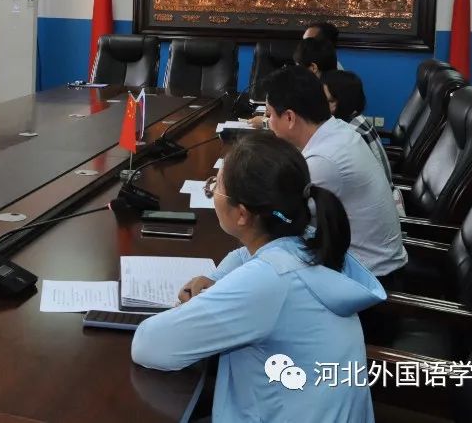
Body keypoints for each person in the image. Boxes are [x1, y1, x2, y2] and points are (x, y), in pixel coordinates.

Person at [131, 132, 383, 423]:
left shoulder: (268, 281)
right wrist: (218, 278)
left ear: (242, 214)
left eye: (216, 186)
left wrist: (199, 304)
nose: (212, 191)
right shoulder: (308, 241)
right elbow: (245, 257)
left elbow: (149, 345)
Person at [262, 66, 407, 281]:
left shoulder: (325, 159)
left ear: (290, 117)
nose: (268, 122)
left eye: (269, 114)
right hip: (361, 262)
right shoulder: (338, 129)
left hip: (369, 279)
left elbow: (283, 219)